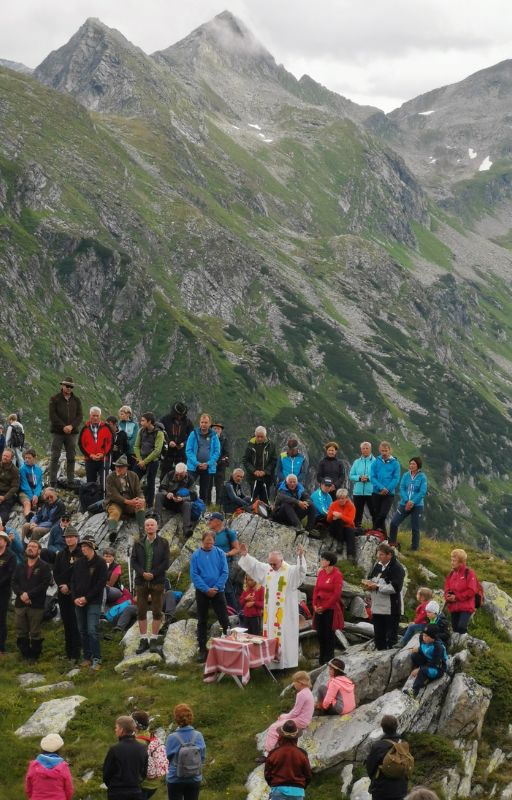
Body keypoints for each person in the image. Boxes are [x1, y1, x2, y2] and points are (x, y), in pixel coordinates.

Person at [239, 543, 307, 670]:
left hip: (285, 614)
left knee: (285, 637)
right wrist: (245, 555)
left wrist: (301, 556)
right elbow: (255, 566)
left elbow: (301, 571)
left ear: (282, 560)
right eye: (270, 563)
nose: (272, 566)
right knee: (270, 636)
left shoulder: (290, 571)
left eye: (274, 564)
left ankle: (285, 665)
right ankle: (270, 663)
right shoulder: (267, 569)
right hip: (271, 614)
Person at [131, 517, 171, 654]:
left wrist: (153, 573)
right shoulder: (138, 543)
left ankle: (153, 639)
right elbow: (134, 561)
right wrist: (143, 573)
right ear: (144, 527)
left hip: (157, 581)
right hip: (141, 581)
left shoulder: (164, 543)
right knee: (141, 611)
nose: (149, 527)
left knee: (157, 610)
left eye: (152, 525)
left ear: (156, 527)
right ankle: (143, 640)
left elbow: (166, 562)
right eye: (147, 525)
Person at [190, 530, 230, 662]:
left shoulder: (220, 553)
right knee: (202, 620)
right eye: (207, 542)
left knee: (224, 619)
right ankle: (202, 650)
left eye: (211, 542)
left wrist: (216, 588)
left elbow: (224, 572)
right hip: (202, 592)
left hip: (218, 591)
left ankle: (230, 647)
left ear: (214, 541)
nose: (209, 544)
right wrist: (206, 589)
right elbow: (194, 575)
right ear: (202, 541)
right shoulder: (196, 555)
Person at [72, 536, 108, 671]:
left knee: (92, 629)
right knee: (82, 630)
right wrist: (75, 598)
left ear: (92, 547)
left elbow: (100, 584)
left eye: (86, 546)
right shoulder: (78, 563)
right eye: (82, 547)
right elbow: (73, 582)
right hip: (78, 602)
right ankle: (87, 657)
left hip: (93, 602)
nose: (83, 549)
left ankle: (97, 659)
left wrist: (86, 598)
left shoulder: (100, 563)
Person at [13, 539, 52, 660]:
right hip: (20, 603)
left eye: (34, 546)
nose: (31, 548)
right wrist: (21, 594)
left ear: (39, 550)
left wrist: (29, 595)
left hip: (36, 604)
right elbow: (14, 582)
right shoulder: (20, 565)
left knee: (35, 631)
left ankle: (35, 656)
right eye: (29, 546)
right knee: (21, 630)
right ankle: (24, 654)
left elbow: (44, 584)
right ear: (26, 549)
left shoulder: (44, 566)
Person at [363, 543, 405, 650]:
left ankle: (390, 659)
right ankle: (379, 658)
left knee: (391, 637)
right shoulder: (377, 565)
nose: (378, 556)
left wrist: (377, 586)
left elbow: (395, 588)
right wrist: (368, 584)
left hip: (390, 609)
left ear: (389, 555)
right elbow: (372, 578)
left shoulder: (397, 568)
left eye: (381, 555)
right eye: (378, 554)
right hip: (377, 607)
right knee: (378, 637)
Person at [263, 671, 314, 755]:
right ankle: (277, 744)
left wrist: (285, 716)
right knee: (282, 719)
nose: (293, 684)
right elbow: (296, 711)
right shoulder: (308, 691)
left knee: (273, 728)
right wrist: (285, 716)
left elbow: (295, 712)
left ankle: (268, 752)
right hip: (305, 720)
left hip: (300, 721)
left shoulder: (301, 694)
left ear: (300, 682)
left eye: (294, 682)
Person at [53, 527, 82, 663]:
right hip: (62, 593)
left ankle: (76, 653)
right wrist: (61, 585)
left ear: (77, 538)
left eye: (71, 536)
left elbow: (80, 574)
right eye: (67, 537)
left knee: (75, 622)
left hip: (76, 593)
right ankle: (68, 652)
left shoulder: (81, 554)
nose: (69, 539)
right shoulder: (61, 554)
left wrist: (69, 586)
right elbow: (56, 572)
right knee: (66, 623)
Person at [165, 703, 206, 800]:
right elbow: (202, 757)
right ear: (191, 717)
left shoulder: (172, 737)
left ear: (176, 719)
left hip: (175, 778)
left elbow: (167, 758)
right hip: (194, 778)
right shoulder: (198, 735)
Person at [264, 720, 312, 800]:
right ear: (296, 738)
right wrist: (301, 786)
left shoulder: (274, 753)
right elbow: (308, 775)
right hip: (298, 791)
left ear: (281, 737)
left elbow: (267, 774)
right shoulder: (302, 754)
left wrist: (273, 784)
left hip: (278, 789)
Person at [103, 715, 148, 800]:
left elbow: (106, 774)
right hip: (136, 792)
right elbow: (144, 773)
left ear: (122, 730)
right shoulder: (143, 748)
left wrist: (113, 786)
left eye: (116, 727)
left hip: (116, 793)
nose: (115, 730)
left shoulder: (114, 749)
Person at [49, 376, 83, 487]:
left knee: (71, 457)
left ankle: (71, 482)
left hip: (71, 433)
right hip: (58, 432)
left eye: (71, 386)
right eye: (67, 386)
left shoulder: (77, 400)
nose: (69, 388)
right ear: (62, 385)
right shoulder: (54, 399)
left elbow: (80, 416)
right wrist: (63, 427)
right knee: (55, 456)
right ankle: (52, 481)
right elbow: (52, 415)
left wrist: (71, 426)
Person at [366, 714, 410, 800]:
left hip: (382, 791)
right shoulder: (403, 744)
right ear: (396, 726)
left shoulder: (378, 746)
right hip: (401, 789)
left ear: (383, 728)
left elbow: (370, 768)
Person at [105, 454, 146, 543]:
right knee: (115, 512)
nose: (118, 469)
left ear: (126, 468)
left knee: (140, 504)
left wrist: (142, 499)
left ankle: (142, 531)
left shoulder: (133, 475)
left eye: (121, 467)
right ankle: (112, 531)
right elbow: (113, 495)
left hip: (130, 503)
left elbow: (138, 490)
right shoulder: (110, 477)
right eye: (116, 466)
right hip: (115, 502)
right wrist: (128, 501)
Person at [389, 457, 428, 551]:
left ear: (418, 465)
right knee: (394, 523)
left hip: (417, 506)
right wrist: (407, 501)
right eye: (410, 464)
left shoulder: (422, 477)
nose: (411, 466)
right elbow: (402, 488)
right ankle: (392, 543)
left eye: (413, 464)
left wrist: (412, 501)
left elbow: (422, 492)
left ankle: (414, 548)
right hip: (404, 504)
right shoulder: (406, 475)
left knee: (415, 527)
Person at [313, 551, 344, 664]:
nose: (321, 561)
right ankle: (322, 659)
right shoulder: (321, 573)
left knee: (329, 634)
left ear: (329, 561)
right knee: (320, 634)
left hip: (330, 609)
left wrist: (325, 607)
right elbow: (316, 589)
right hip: (319, 607)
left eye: (323, 559)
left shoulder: (337, 575)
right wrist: (315, 605)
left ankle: (329, 659)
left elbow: (336, 595)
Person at [25, 733, 74, 800]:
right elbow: (69, 790)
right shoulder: (63, 767)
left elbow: (28, 789)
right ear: (60, 749)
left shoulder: (33, 766)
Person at [207, 512, 240, 611]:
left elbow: (237, 548)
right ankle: (220, 610)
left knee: (227, 588)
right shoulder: (210, 534)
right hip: (212, 565)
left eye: (211, 520)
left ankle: (234, 611)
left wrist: (226, 554)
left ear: (217, 521)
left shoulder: (229, 533)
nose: (209, 522)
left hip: (225, 564)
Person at [185, 413, 220, 503]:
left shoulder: (214, 436)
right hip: (193, 467)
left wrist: (208, 464)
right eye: (202, 422)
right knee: (189, 488)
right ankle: (188, 506)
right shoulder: (193, 434)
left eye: (206, 422)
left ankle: (202, 510)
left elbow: (217, 452)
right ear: (199, 423)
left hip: (207, 468)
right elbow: (188, 450)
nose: (203, 424)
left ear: (209, 424)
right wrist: (197, 463)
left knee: (204, 491)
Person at [405, 624, 447, 697]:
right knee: (414, 655)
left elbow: (435, 663)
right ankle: (423, 675)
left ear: (433, 637)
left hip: (438, 668)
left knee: (422, 670)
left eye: (426, 636)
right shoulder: (422, 638)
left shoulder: (438, 647)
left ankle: (414, 691)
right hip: (428, 661)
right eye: (423, 635)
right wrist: (417, 649)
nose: (424, 637)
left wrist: (419, 669)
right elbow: (422, 649)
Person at [155, 462, 196, 535]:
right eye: (177, 474)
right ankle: (158, 521)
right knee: (159, 495)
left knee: (187, 504)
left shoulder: (190, 479)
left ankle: (186, 528)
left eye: (181, 475)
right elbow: (161, 488)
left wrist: (182, 499)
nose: (179, 477)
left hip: (180, 504)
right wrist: (167, 493)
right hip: (169, 501)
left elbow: (194, 496)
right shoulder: (169, 475)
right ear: (175, 471)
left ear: (185, 472)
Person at [134, 412, 165, 508]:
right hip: (140, 461)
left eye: (143, 420)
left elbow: (157, 451)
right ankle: (134, 501)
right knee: (134, 479)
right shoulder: (141, 431)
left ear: (149, 421)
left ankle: (149, 505)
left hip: (153, 462)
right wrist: (140, 460)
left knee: (150, 482)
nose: (141, 422)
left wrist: (145, 461)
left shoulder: (159, 433)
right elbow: (136, 446)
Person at [132, 710, 165, 800]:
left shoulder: (136, 742)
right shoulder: (152, 736)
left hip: (142, 785)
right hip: (154, 784)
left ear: (136, 725)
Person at [79, 406, 113, 489]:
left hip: (103, 460)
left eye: (97, 416)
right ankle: (92, 500)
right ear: (90, 415)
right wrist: (90, 455)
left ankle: (104, 500)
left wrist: (103, 454)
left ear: (100, 416)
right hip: (90, 460)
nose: (95, 418)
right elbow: (81, 444)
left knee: (104, 483)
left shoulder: (106, 427)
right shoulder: (85, 429)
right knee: (90, 483)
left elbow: (111, 443)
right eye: (93, 415)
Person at [444, 548, 477, 634]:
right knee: (455, 629)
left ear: (461, 562)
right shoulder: (451, 574)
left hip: (466, 607)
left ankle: (464, 644)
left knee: (461, 627)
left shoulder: (469, 573)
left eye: (454, 560)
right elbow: (446, 589)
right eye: (451, 560)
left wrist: (456, 597)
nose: (452, 562)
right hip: (454, 607)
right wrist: (448, 596)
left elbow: (472, 591)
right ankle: (457, 646)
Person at [370, 442, 401, 535]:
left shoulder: (395, 463)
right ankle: (383, 535)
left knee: (383, 514)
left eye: (386, 451)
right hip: (376, 492)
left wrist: (387, 489)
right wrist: (381, 488)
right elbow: (372, 477)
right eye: (382, 450)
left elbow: (396, 478)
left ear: (390, 450)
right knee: (376, 514)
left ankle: (373, 529)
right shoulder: (376, 462)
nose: (384, 453)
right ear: (380, 450)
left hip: (389, 494)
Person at [242, 426, 277, 503]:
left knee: (265, 500)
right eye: (258, 436)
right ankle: (253, 514)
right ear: (255, 435)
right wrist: (254, 471)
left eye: (262, 437)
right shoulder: (250, 445)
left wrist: (265, 471)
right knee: (253, 499)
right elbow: (245, 460)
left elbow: (274, 461)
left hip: (266, 477)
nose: (260, 438)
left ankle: (266, 514)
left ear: (265, 436)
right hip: (253, 477)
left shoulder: (271, 445)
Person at [160, 402, 193, 479]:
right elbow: (160, 432)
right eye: (178, 415)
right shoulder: (165, 419)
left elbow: (191, 436)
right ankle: (163, 489)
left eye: (181, 415)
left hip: (181, 452)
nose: (179, 417)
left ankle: (180, 489)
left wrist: (184, 443)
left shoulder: (187, 422)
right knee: (165, 472)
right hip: (167, 451)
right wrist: (168, 441)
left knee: (181, 472)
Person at [349, 441, 376, 529]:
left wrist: (368, 478)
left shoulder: (375, 462)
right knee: (357, 512)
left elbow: (378, 475)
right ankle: (356, 528)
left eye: (367, 448)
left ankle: (376, 529)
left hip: (371, 491)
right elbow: (351, 475)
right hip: (358, 491)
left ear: (370, 449)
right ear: (361, 450)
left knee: (374, 511)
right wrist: (359, 478)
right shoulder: (357, 462)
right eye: (363, 448)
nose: (365, 450)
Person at [326, 488, 357, 559]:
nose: (340, 500)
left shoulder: (351, 506)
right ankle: (340, 543)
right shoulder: (333, 504)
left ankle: (350, 555)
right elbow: (328, 519)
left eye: (342, 498)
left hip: (346, 527)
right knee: (337, 520)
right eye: (339, 498)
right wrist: (332, 514)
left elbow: (350, 520)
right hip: (335, 528)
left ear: (346, 498)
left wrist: (341, 516)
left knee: (351, 531)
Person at [0, 529, 16, 654]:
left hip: (3, 591)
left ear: (5, 541)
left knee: (1, 619)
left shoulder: (11, 556)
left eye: (1, 539)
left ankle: (1, 648)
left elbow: (10, 574)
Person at [19, 448, 43, 521]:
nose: (26, 460)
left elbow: (39, 484)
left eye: (29, 458)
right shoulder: (22, 469)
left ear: (34, 458)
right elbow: (24, 485)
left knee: (47, 496)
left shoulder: (39, 470)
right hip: (24, 492)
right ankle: (28, 517)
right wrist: (32, 497)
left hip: (35, 491)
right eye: (25, 458)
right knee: (27, 503)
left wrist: (36, 495)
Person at [209, 421, 229, 506]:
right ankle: (207, 504)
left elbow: (226, 454)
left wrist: (218, 462)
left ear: (221, 430)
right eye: (214, 428)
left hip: (220, 467)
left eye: (218, 428)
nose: (216, 430)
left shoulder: (224, 440)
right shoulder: (208, 439)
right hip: (209, 466)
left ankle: (218, 506)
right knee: (208, 486)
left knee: (219, 487)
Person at [0, 447, 20, 525]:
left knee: (4, 512)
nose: (4, 457)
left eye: (7, 456)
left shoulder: (15, 470)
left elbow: (15, 487)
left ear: (11, 459)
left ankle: (1, 527)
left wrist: (4, 497)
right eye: (4, 455)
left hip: (7, 494)